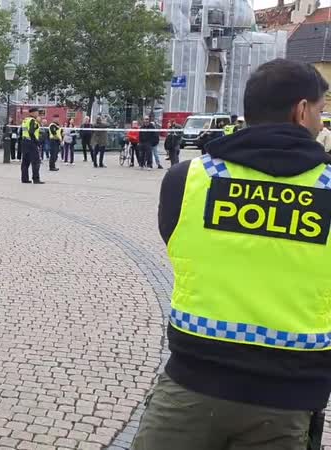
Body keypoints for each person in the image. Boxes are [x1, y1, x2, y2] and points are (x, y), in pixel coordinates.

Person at [132, 59, 331, 450]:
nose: (322, 123)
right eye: (322, 112)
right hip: (286, 400)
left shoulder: (186, 181)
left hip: (189, 388)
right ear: (302, 110)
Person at [21, 108, 44, 184]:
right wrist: (36, 142)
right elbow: (31, 132)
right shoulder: (33, 121)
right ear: (33, 113)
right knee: (36, 161)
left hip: (24, 142)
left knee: (25, 162)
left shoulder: (25, 120)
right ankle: (36, 179)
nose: (38, 114)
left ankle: (24, 178)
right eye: (37, 112)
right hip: (31, 143)